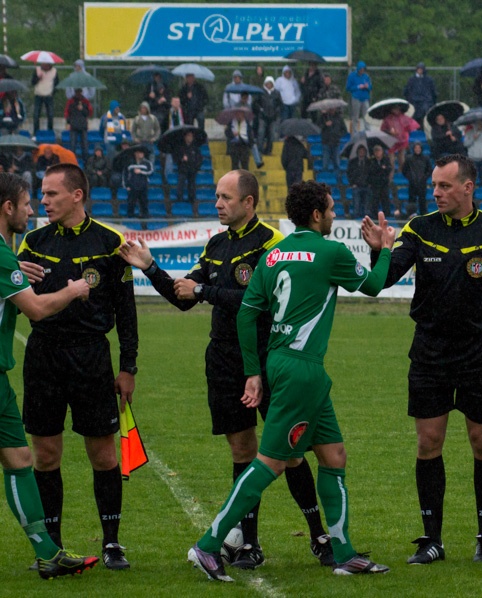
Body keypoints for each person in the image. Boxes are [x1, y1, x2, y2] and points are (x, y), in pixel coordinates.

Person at [118, 170, 334, 570]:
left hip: (268, 359)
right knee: (241, 450)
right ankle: (249, 544)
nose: (217, 203)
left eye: (225, 197)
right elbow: (185, 297)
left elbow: (263, 302)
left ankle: (319, 536)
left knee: (289, 452)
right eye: (216, 196)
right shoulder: (217, 244)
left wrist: (206, 292)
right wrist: (150, 268)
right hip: (223, 360)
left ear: (248, 203)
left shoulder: (273, 244)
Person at [186, 180, 396, 581]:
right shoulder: (330, 250)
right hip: (302, 368)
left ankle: (345, 552)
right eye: (331, 210)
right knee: (271, 463)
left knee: (333, 456)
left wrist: (253, 371)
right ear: (317, 214)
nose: (334, 216)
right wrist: (384, 248)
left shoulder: (273, 254)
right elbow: (373, 285)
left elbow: (247, 314)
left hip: (282, 362)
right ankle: (208, 545)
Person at [373, 154, 482, 565]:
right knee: (429, 442)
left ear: (467, 187)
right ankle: (431, 540)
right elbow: (384, 279)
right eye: (434, 187)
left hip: (479, 353)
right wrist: (380, 252)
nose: (436, 192)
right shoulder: (418, 229)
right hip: (429, 352)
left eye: (444, 186)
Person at [18, 162, 139, 570]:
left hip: (91, 357)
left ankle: (111, 543)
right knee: (46, 453)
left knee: (104, 454)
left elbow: (127, 311)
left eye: (51, 194)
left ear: (76, 196)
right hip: (44, 355)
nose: (43, 201)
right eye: (41, 193)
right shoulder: (32, 242)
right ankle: (52, 544)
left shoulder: (110, 242)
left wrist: (128, 368)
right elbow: (14, 297)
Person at [0, 172, 99, 579]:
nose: (32, 209)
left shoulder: (5, 256)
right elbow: (37, 310)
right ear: (8, 208)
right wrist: (75, 290)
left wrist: (13, 268)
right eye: (26, 202)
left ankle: (48, 553)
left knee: (20, 458)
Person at [381, 105, 419, 169]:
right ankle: (391, 172)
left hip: (402, 139)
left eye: (397, 108)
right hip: (391, 140)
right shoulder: (387, 119)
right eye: (394, 108)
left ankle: (402, 171)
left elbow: (409, 128)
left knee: (401, 156)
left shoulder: (404, 117)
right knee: (391, 157)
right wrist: (390, 132)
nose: (396, 110)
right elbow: (383, 129)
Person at [174, 130, 203, 210]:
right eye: (188, 136)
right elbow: (176, 158)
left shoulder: (195, 148)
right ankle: (179, 198)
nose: (190, 138)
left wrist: (195, 166)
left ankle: (191, 198)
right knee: (181, 183)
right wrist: (181, 159)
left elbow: (199, 159)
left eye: (191, 136)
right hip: (183, 169)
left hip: (192, 169)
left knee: (192, 184)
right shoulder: (180, 147)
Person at [402, 142, 431, 216]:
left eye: (419, 148)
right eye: (416, 148)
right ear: (413, 149)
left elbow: (429, 170)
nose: (417, 149)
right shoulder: (409, 158)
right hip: (412, 183)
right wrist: (410, 178)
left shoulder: (425, 158)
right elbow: (404, 170)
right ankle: (411, 215)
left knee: (422, 201)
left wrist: (424, 178)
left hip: (422, 183)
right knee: (411, 201)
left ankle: (423, 215)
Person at [404, 62, 437, 128]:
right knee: (414, 113)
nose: (420, 71)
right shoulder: (412, 79)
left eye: (421, 69)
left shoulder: (428, 79)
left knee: (425, 110)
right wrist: (410, 99)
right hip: (414, 101)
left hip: (426, 101)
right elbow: (407, 91)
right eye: (419, 69)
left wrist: (432, 100)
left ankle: (424, 128)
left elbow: (433, 91)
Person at [125, 148, 153, 222]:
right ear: (135, 154)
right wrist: (127, 185)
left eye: (141, 153)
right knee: (131, 202)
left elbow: (151, 172)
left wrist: (141, 171)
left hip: (143, 186)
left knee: (144, 202)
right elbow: (125, 175)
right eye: (138, 153)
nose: (140, 154)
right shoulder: (130, 163)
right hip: (133, 186)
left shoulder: (147, 163)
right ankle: (130, 217)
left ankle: (145, 217)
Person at [64, 89, 92, 163]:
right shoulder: (71, 101)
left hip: (83, 126)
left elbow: (89, 113)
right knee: (72, 146)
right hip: (74, 126)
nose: (78, 94)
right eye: (77, 92)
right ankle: (72, 161)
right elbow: (67, 113)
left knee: (85, 146)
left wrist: (82, 109)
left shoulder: (85, 101)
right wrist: (69, 121)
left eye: (79, 92)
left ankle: (86, 162)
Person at [256, 77, 282, 156]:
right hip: (262, 117)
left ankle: (268, 150)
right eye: (267, 83)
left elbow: (280, 104)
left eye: (270, 83)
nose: (269, 85)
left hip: (273, 117)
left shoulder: (277, 93)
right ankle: (259, 150)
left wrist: (276, 111)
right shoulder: (260, 92)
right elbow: (256, 103)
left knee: (271, 135)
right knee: (261, 133)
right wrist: (260, 109)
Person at [31, 62, 58, 134]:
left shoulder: (54, 71)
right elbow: (32, 82)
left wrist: (53, 92)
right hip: (38, 95)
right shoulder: (37, 70)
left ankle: (50, 131)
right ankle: (35, 132)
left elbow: (57, 83)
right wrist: (38, 78)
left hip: (49, 96)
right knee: (36, 115)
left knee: (50, 115)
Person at [367, 144, 393, 217]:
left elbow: (388, 169)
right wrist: (381, 168)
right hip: (375, 184)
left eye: (379, 151)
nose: (377, 153)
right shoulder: (371, 161)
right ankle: (374, 215)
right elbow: (371, 171)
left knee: (385, 200)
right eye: (376, 152)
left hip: (384, 183)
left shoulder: (386, 160)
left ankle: (387, 215)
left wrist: (381, 169)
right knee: (375, 200)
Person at [346, 61, 372, 133]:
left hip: (365, 98)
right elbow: (348, 88)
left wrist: (367, 87)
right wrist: (358, 87)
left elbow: (370, 87)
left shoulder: (366, 76)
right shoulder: (352, 76)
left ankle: (368, 131)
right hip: (356, 98)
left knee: (366, 116)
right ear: (358, 68)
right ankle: (354, 131)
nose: (362, 70)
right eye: (361, 69)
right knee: (355, 116)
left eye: (363, 69)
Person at [463, 119, 482, 186]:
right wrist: (473, 138)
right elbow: (465, 144)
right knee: (472, 177)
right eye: (479, 123)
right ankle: (473, 194)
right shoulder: (469, 132)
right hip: (472, 157)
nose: (480, 125)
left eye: (481, 123)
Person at [320, 107, 346, 173]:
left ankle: (337, 181)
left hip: (336, 143)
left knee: (337, 164)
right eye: (330, 108)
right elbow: (318, 128)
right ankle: (325, 180)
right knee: (325, 165)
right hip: (326, 143)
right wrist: (325, 125)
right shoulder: (323, 117)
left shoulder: (339, 118)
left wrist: (338, 135)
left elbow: (344, 130)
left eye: (333, 107)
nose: (332, 109)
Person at [347, 144, 370, 218]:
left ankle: (366, 219)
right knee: (356, 205)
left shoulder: (369, 162)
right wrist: (352, 183)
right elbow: (349, 173)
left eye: (363, 151)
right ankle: (356, 218)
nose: (361, 152)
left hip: (367, 186)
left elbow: (372, 173)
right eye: (360, 151)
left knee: (367, 206)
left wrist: (370, 183)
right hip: (356, 185)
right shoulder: (353, 162)